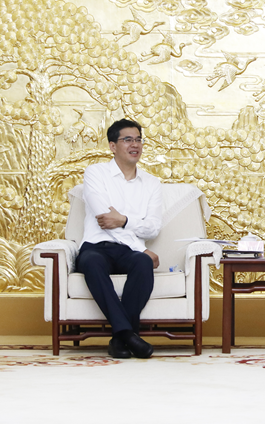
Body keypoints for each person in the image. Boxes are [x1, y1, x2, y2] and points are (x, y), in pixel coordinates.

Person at [75, 118, 162, 359]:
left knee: (142, 263)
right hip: (96, 246)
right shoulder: (96, 173)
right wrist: (138, 243)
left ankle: (120, 339)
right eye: (128, 139)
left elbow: (153, 228)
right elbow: (104, 219)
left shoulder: (152, 184)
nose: (135, 144)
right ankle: (129, 335)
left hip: (127, 252)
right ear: (113, 146)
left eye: (138, 140)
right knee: (91, 261)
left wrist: (124, 220)